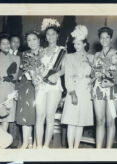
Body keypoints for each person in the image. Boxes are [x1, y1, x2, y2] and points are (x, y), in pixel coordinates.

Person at [61, 25, 94, 149]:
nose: (76, 46)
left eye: (78, 44)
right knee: (71, 121)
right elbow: (68, 76)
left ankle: (76, 148)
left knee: (81, 122)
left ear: (84, 44)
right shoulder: (69, 57)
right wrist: (72, 92)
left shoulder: (91, 58)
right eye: (74, 44)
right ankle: (70, 149)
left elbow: (94, 75)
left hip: (86, 91)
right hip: (74, 90)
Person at [35, 18, 65, 148]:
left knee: (49, 116)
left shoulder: (62, 50)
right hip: (41, 86)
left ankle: (46, 146)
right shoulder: (41, 51)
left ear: (57, 36)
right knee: (39, 117)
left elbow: (65, 68)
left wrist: (57, 74)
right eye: (48, 34)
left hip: (54, 86)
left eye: (53, 34)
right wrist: (36, 76)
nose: (50, 36)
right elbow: (36, 67)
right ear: (45, 37)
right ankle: (38, 146)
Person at [92, 27, 117, 148]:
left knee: (110, 121)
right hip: (98, 88)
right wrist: (95, 74)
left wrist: (111, 81)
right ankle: (98, 150)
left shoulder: (116, 53)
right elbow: (92, 74)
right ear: (99, 39)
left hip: (112, 88)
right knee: (99, 120)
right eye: (102, 37)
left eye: (107, 37)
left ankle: (108, 151)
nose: (104, 40)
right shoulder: (96, 55)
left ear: (111, 38)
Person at [15, 31, 42, 149]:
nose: (31, 42)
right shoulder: (24, 54)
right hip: (25, 86)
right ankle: (25, 142)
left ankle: (36, 143)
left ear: (39, 40)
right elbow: (20, 73)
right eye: (29, 40)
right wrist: (16, 90)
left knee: (38, 115)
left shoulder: (45, 53)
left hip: (40, 87)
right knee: (25, 114)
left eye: (34, 39)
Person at [0, 33, 20, 133]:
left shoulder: (16, 58)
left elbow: (15, 77)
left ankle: (4, 141)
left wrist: (15, 91)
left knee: (7, 117)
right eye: (3, 43)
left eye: (7, 43)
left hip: (10, 90)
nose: (6, 45)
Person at [8, 34, 22, 148]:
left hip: (17, 87)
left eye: (18, 42)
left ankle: (14, 140)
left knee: (15, 114)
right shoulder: (3, 55)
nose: (15, 44)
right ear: (9, 42)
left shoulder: (22, 56)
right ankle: (5, 139)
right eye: (13, 41)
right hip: (6, 88)